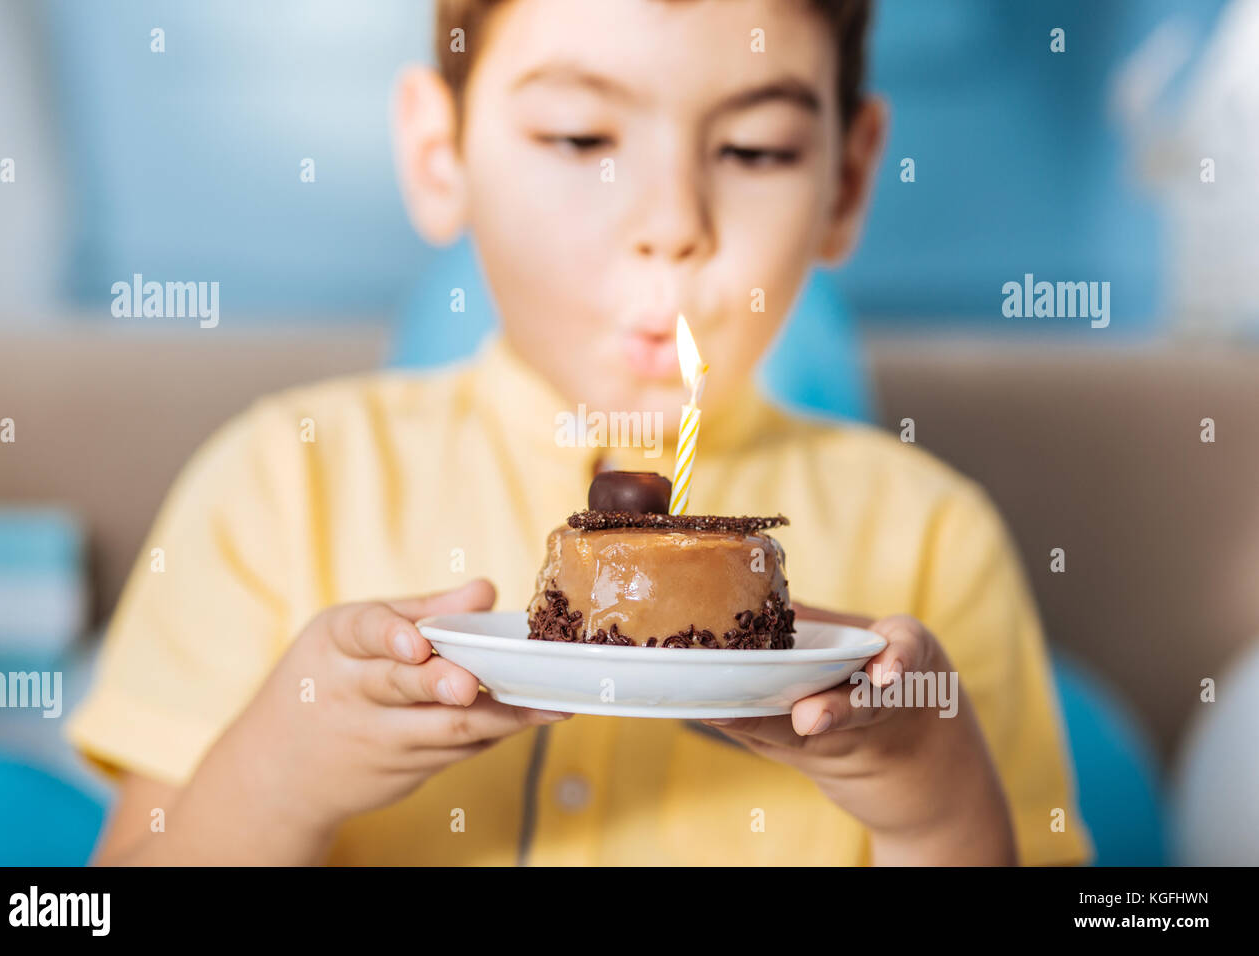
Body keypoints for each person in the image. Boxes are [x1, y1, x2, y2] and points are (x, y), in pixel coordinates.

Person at [67, 0, 1090, 865]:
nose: (670, 220)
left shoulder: (933, 537)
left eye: (753, 149)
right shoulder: (280, 485)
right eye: (580, 138)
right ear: (440, 153)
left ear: (848, 179)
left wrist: (935, 796)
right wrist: (274, 774)